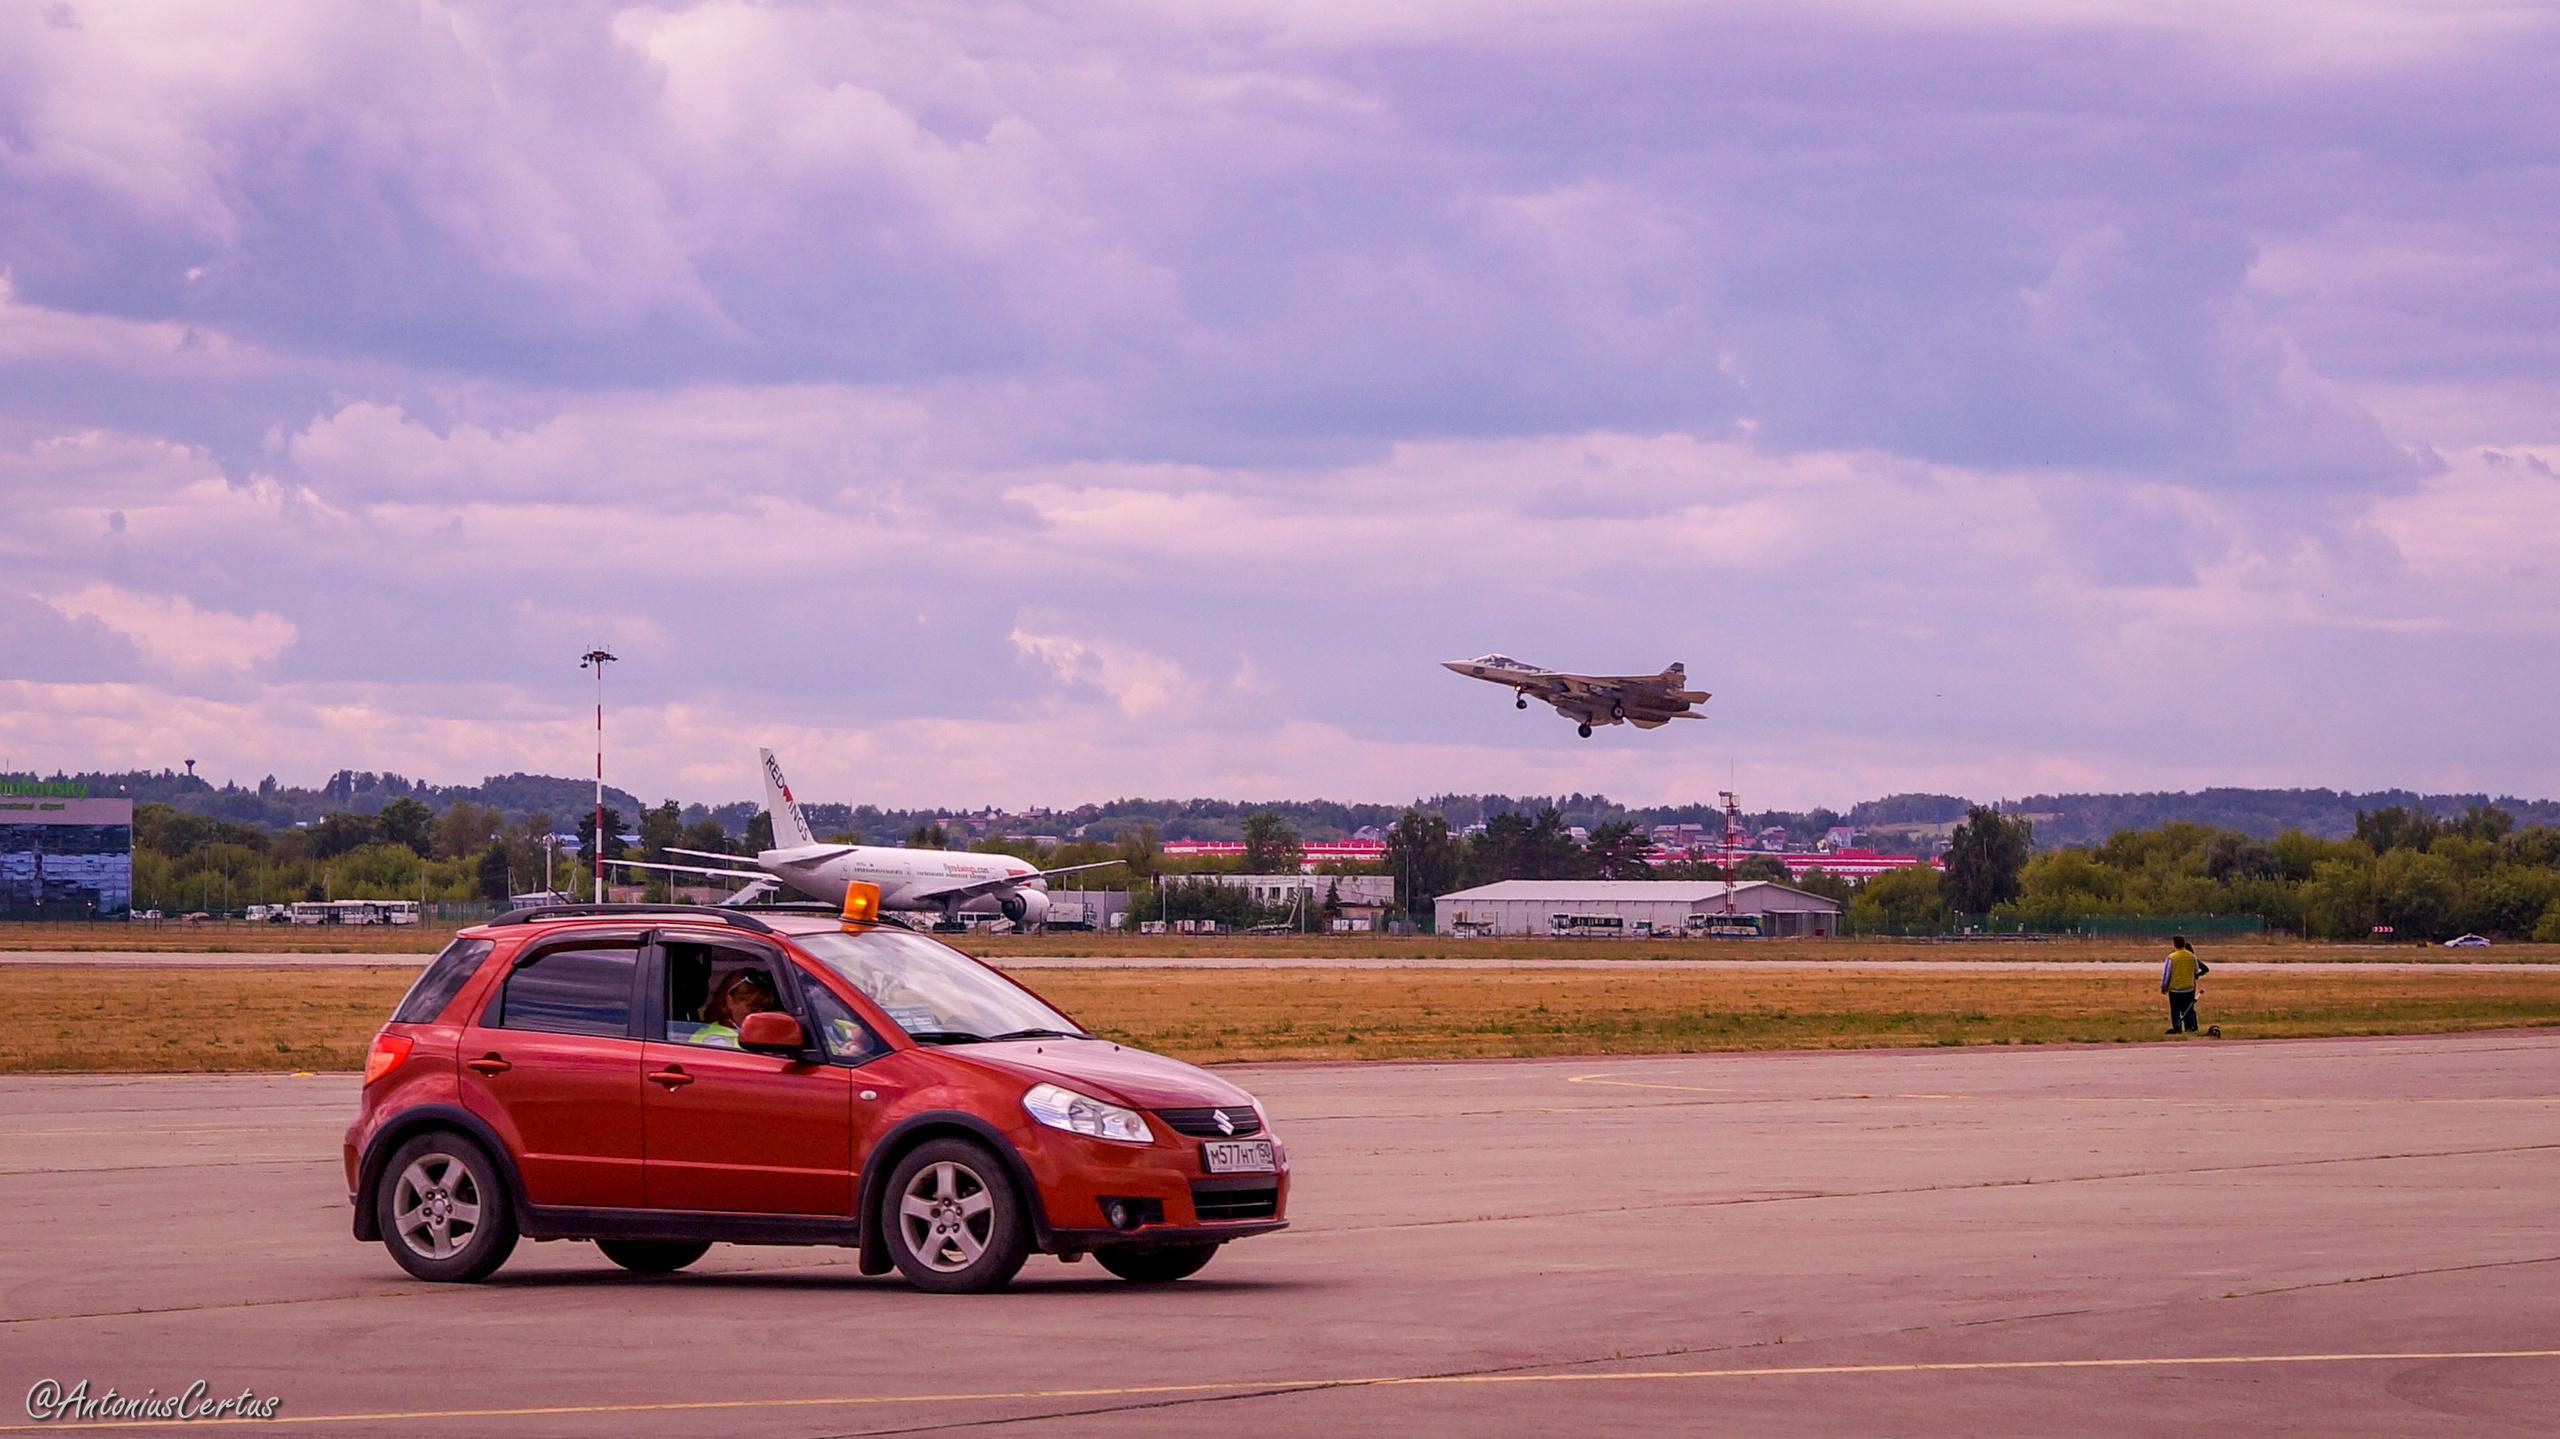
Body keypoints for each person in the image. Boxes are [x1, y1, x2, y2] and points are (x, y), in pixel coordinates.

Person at [2160, 935, 2209, 1034]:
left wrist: (2164, 987)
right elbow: (2196, 969)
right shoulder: (2192, 956)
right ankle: (2191, 1027)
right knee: (2188, 1008)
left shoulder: (2171, 957)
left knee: (2175, 1010)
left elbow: (2167, 973)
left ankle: (2177, 1028)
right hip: (2189, 988)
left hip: (2175, 989)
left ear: (2174, 944)